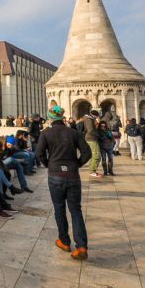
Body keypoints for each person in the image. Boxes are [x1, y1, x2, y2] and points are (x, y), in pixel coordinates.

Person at [36, 105, 91, 260]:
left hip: (55, 176)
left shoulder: (46, 133)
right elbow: (87, 152)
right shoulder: (73, 133)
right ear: (63, 117)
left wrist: (48, 164)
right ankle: (81, 246)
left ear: (50, 117)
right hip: (72, 175)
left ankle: (64, 241)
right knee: (76, 210)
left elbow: (39, 153)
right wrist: (77, 164)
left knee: (59, 209)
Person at [84, 111, 102, 178]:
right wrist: (98, 135)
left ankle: (92, 170)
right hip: (91, 138)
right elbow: (90, 130)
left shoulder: (90, 119)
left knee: (93, 154)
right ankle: (92, 171)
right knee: (96, 154)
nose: (97, 117)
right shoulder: (89, 120)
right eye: (97, 116)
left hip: (91, 138)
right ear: (95, 115)